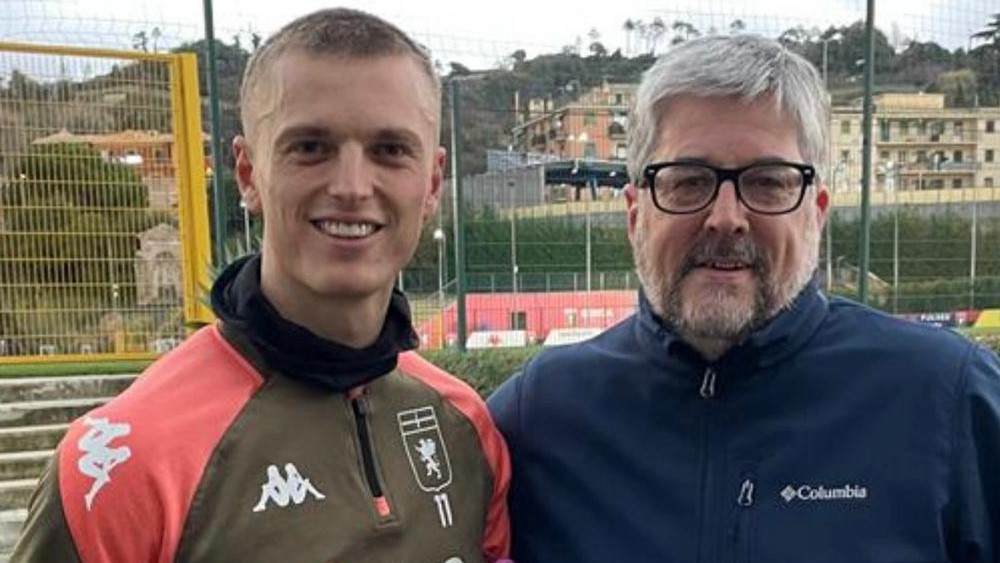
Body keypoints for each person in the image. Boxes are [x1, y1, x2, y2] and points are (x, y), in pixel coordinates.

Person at [12, 8, 511, 563]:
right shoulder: (119, 467)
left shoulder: (465, 426)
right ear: (248, 174)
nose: (351, 187)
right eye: (311, 147)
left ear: (433, 183)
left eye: (390, 150)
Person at [488, 34, 1000, 562]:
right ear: (635, 214)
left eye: (768, 182)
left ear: (817, 212)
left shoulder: (949, 399)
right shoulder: (539, 418)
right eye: (688, 182)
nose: (727, 218)